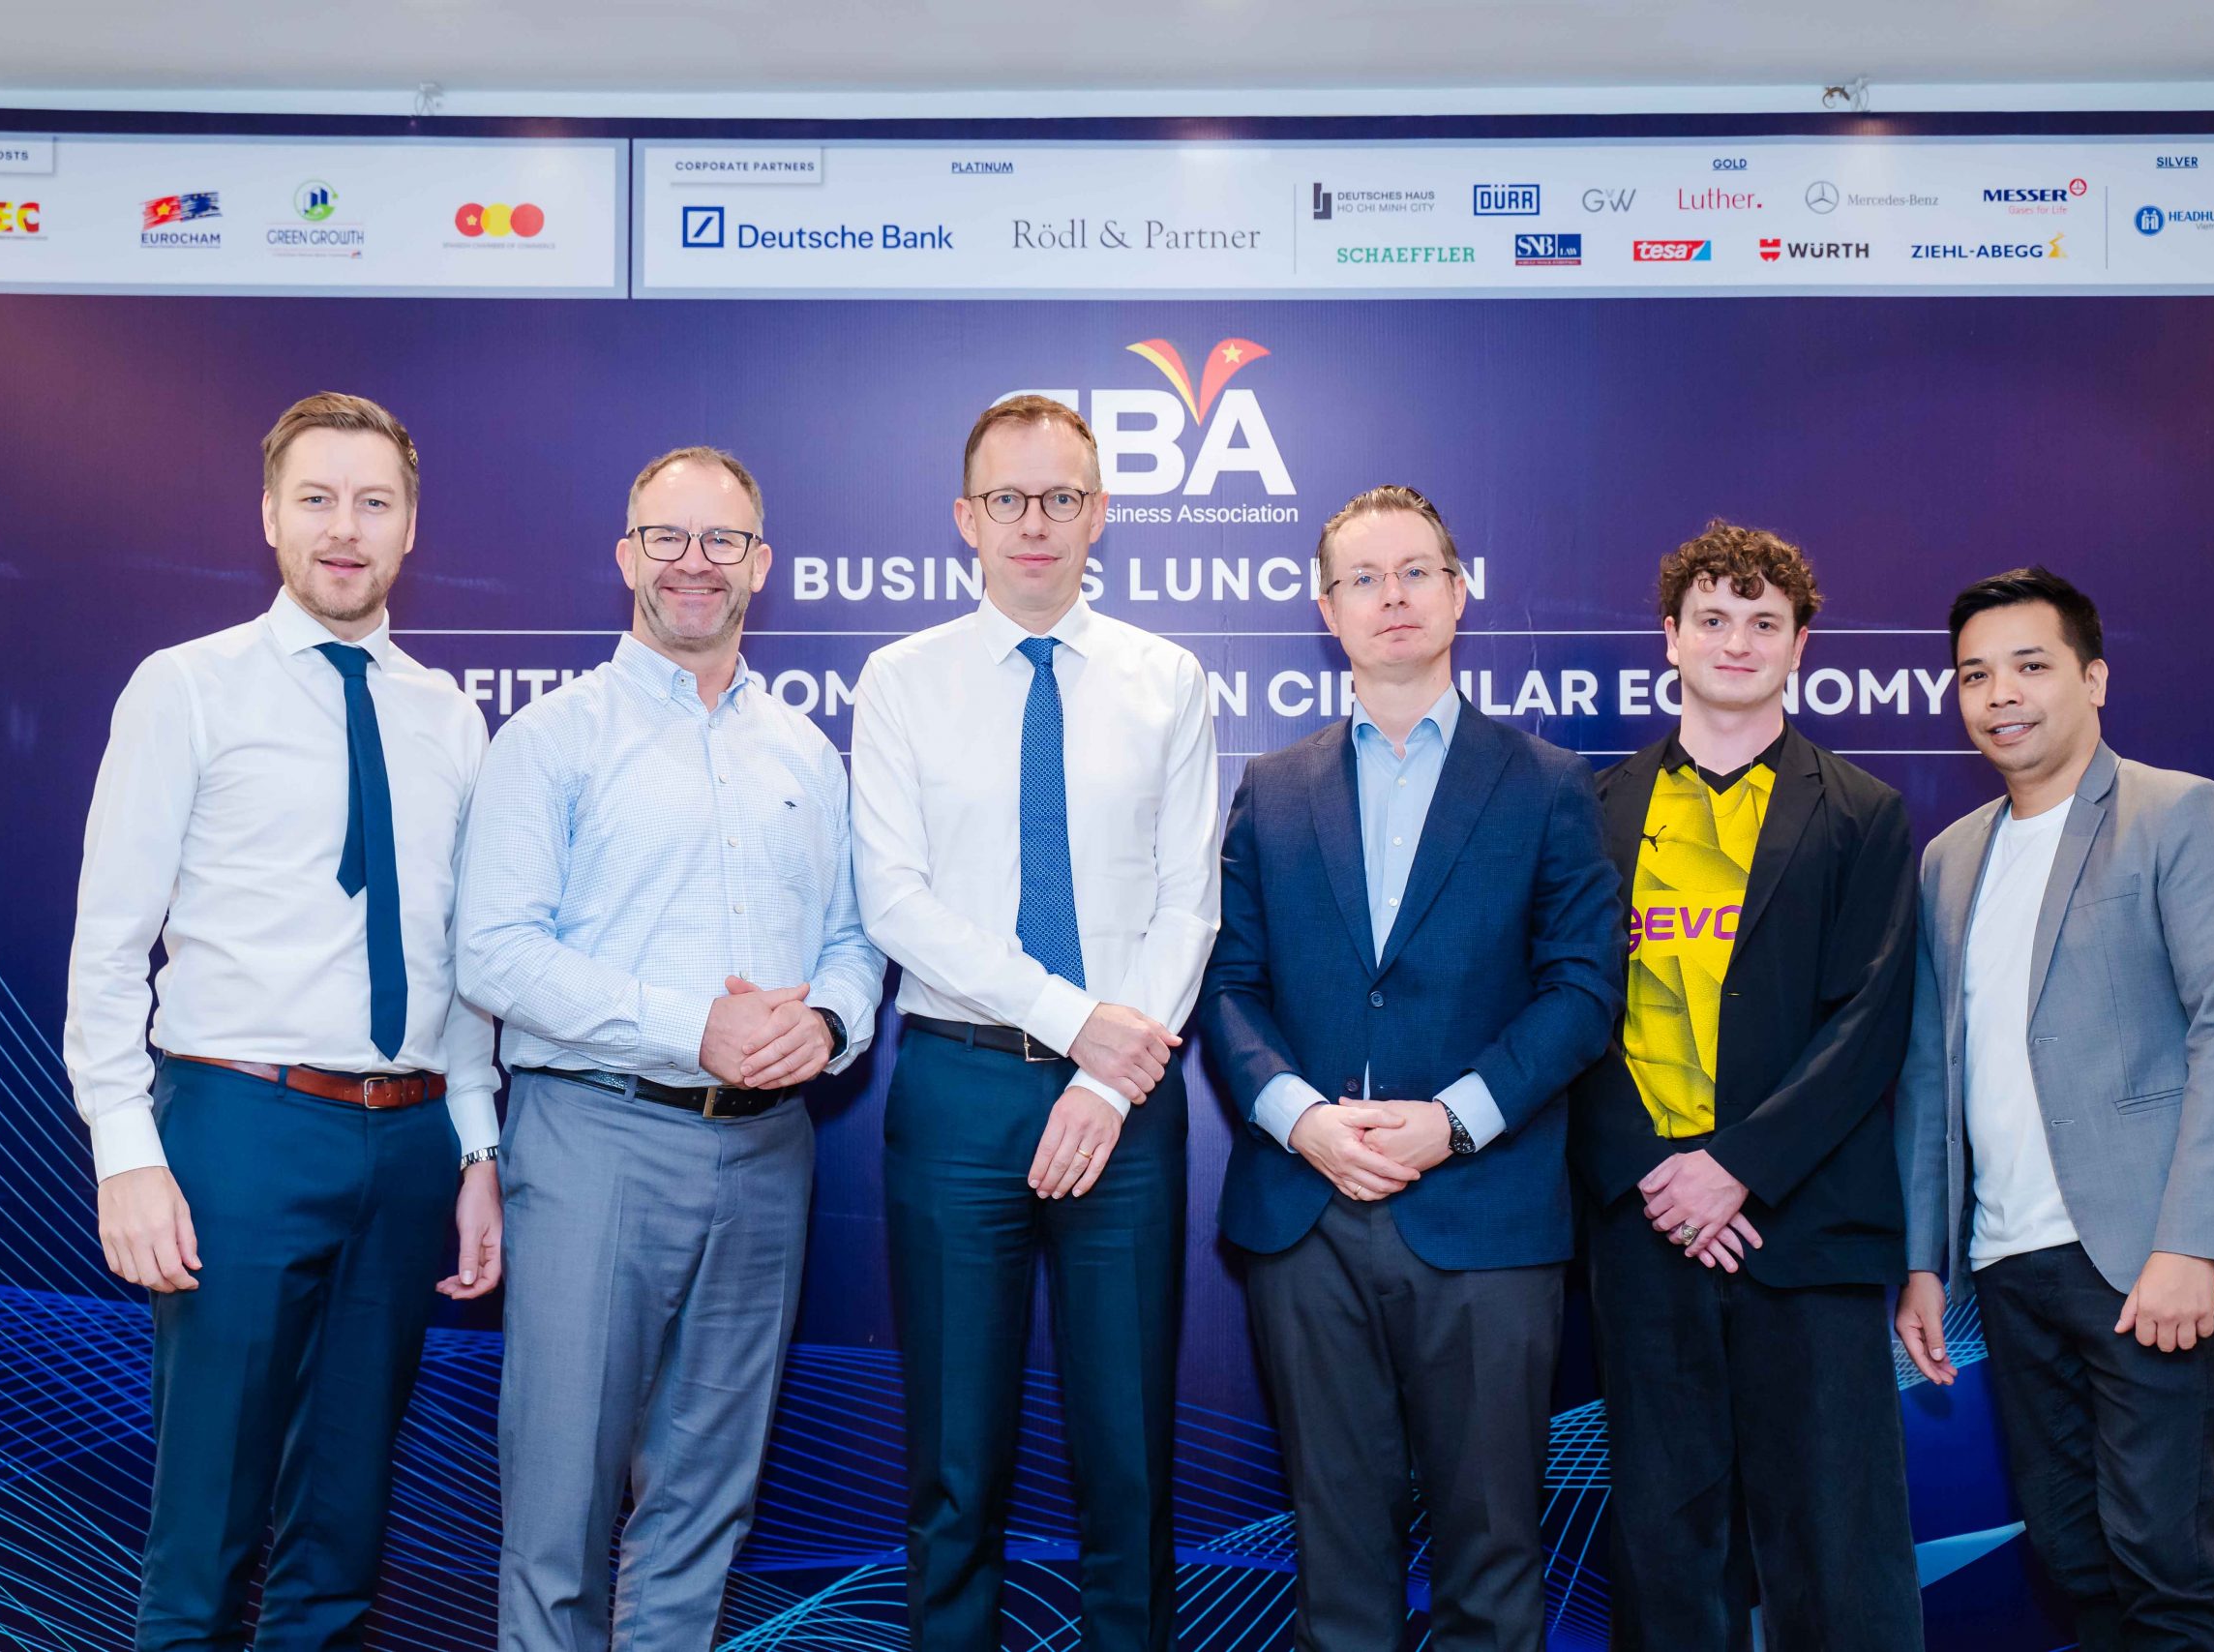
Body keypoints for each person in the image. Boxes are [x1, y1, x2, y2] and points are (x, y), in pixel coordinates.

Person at [64, 391, 502, 1651]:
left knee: (342, 1539)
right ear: (269, 516)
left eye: (373, 502)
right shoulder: (187, 688)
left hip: (409, 1142)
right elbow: (109, 942)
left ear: (410, 525)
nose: (344, 529)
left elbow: (451, 957)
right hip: (239, 1128)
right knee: (205, 1532)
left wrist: (476, 1148)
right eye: (317, 499)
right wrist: (126, 1150)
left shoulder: (448, 716)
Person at [456, 444, 883, 1650]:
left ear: (762, 563)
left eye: (723, 540)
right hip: (596, 1140)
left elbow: (855, 939)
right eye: (668, 538)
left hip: (768, 1155)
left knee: (705, 1504)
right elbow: (494, 954)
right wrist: (692, 1024)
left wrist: (829, 1022)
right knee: (560, 1506)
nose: (695, 563)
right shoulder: (551, 738)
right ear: (626, 555)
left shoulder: (804, 751)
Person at [1201, 485, 1620, 1650]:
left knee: (1493, 1559)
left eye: (1415, 572)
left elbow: (1582, 990)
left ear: (1458, 591)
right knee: (1337, 1564)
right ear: (1326, 608)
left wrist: (1454, 1119)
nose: (1391, 597)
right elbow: (1227, 982)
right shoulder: (1271, 787)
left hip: (1486, 1214)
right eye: (1363, 579)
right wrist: (1300, 1119)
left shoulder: (1547, 781)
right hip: (1306, 1215)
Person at [849, 394, 1220, 1651]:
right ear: (966, 517)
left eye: (1062, 496)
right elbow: (894, 901)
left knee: (1130, 1457)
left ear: (1099, 512)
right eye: (1008, 498)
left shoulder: (1167, 680)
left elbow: (1189, 903)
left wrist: (1106, 1080)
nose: (1035, 522)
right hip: (959, 1089)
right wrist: (1074, 1021)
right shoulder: (901, 681)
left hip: (1127, 1105)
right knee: (955, 1463)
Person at [1896, 567, 2214, 1650]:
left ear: (2094, 677)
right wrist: (1926, 1259)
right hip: (2009, 1265)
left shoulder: (2177, 812)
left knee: (2162, 1560)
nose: (2001, 695)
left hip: (2145, 1260)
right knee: (2072, 1556)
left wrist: (2191, 1242)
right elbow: (1931, 1073)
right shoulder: (1947, 860)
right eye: (1976, 675)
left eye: (2030, 665)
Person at [1567, 521, 1923, 1649]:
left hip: (1804, 1228)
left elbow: (1868, 1022)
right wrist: (1657, 1174)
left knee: (1836, 1545)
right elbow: (1569, 1011)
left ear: (1799, 644)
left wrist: (1736, 1169)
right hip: (1645, 1230)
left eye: (1763, 622)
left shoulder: (1862, 812)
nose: (1736, 641)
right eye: (1712, 619)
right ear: (1669, 638)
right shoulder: (1591, 811)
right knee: (1666, 1549)